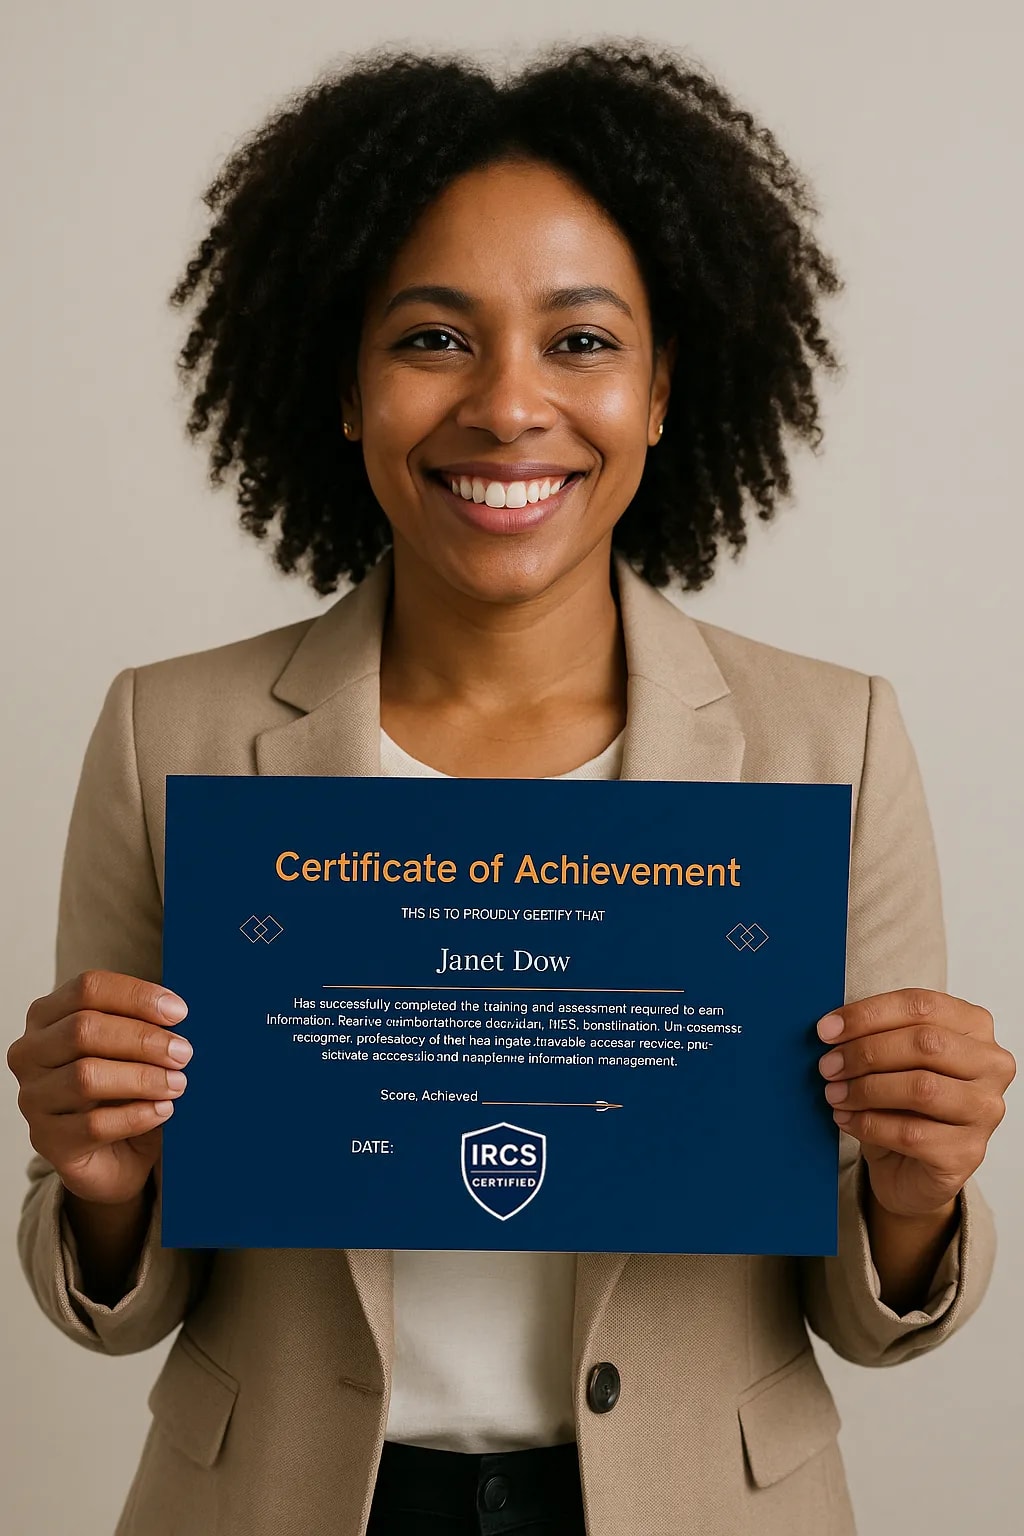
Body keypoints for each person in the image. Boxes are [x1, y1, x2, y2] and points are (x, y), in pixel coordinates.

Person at [7, 38, 1015, 1536]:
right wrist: (100, 1188)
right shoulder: (176, 733)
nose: (508, 406)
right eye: (432, 338)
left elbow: (873, 1314)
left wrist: (921, 1196)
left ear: (665, 387)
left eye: (582, 341)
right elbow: (114, 1306)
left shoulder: (830, 739)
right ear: (341, 386)